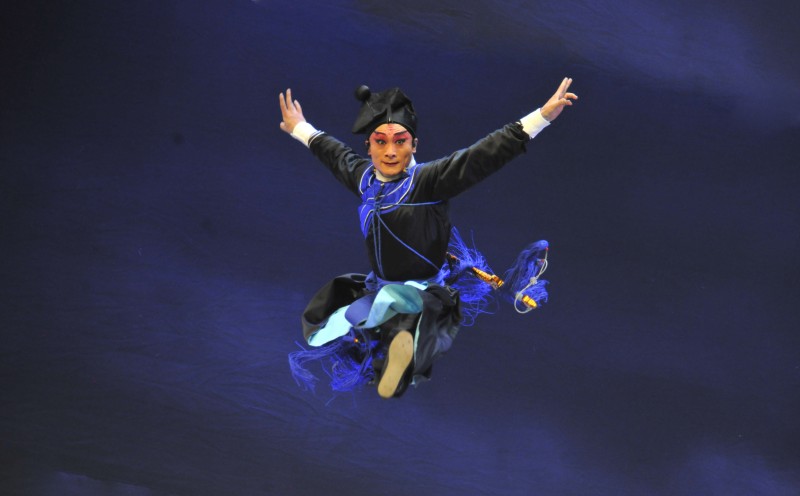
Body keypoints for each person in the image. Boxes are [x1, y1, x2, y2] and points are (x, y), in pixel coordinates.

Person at [279, 78, 577, 398]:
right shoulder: (364, 178)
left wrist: (541, 117)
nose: (390, 151)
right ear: (369, 146)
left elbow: (484, 155)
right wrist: (300, 127)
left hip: (422, 292)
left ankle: (397, 341)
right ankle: (379, 345)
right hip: (378, 285)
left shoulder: (427, 182)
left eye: (400, 142)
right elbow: (333, 153)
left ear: (414, 145)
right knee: (324, 331)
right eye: (380, 142)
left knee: (400, 315)